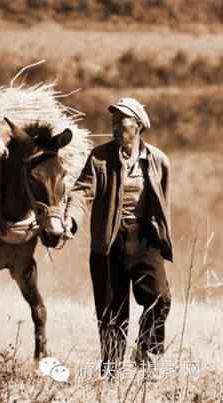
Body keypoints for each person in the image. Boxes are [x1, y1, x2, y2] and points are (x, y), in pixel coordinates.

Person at [64, 97, 173, 378]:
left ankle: (147, 353)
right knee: (112, 310)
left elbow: (163, 199)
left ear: (137, 126)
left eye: (121, 122)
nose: (114, 127)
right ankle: (111, 372)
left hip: (145, 239)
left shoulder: (158, 160)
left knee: (160, 298)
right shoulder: (99, 158)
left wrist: (161, 234)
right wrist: (70, 220)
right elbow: (81, 192)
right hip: (108, 242)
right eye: (112, 122)